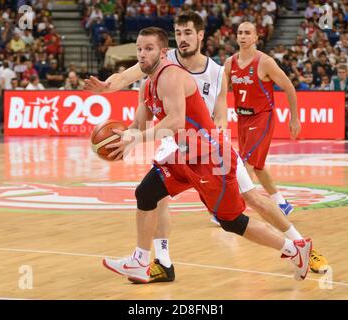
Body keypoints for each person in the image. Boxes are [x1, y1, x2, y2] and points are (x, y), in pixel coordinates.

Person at [85, 12, 328, 283]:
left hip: (210, 155)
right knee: (147, 193)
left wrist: (139, 139)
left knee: (234, 220)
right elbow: (134, 109)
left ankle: (296, 248)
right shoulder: (149, 81)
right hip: (183, 151)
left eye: (148, 49)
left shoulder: (191, 73)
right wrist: (124, 138)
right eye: (139, 49)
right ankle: (143, 260)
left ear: (198, 36)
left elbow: (184, 119)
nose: (142, 54)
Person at [224, 22, 300, 216]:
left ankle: (234, 210)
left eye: (247, 33)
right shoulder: (230, 63)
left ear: (256, 38)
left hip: (261, 118)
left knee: (245, 165)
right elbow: (220, 92)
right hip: (242, 118)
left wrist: (294, 118)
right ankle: (281, 203)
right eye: (240, 32)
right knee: (258, 166)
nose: (242, 36)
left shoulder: (264, 62)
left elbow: (289, 87)